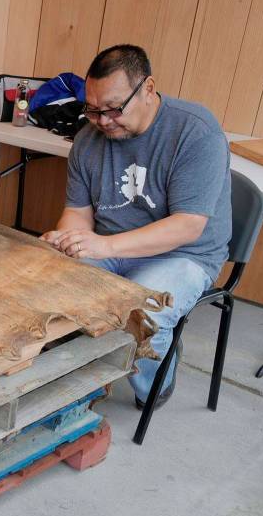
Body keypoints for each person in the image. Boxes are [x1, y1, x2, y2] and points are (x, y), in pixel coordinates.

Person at [41, 44, 231, 409]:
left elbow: (188, 227)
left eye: (113, 108)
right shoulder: (87, 139)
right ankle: (73, 383)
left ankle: (156, 388)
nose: (103, 120)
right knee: (55, 286)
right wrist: (68, 239)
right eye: (92, 109)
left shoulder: (195, 131)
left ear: (147, 88)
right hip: (111, 247)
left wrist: (104, 246)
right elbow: (77, 212)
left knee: (142, 312)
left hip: (185, 254)